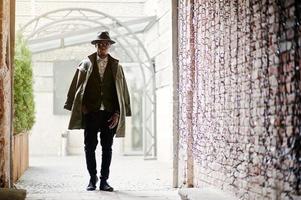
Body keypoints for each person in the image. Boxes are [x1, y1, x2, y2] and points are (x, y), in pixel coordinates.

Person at [64, 31, 131, 192]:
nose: (103, 46)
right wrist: (80, 106)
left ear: (109, 46)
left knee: (107, 148)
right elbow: (77, 85)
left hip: (109, 114)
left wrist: (118, 113)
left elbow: (121, 92)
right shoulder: (86, 63)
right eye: (100, 44)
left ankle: (104, 181)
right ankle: (92, 178)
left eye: (106, 44)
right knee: (89, 147)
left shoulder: (117, 66)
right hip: (91, 113)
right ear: (96, 45)